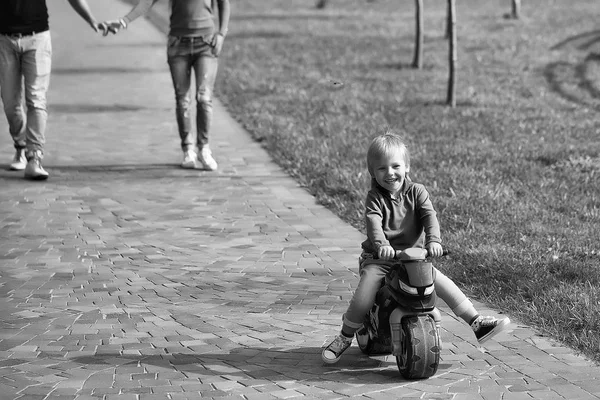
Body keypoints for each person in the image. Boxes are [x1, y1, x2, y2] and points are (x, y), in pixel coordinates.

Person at [322, 131, 510, 364]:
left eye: (395, 166)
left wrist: (434, 242)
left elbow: (429, 216)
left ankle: (476, 322)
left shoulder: (417, 192)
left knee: (441, 282)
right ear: (372, 172)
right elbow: (373, 223)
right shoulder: (375, 198)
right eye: (381, 168)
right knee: (365, 293)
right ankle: (345, 335)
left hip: (414, 258)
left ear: (407, 167)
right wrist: (382, 246)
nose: (389, 173)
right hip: (381, 259)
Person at [102, 0, 231, 171]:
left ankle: (204, 149)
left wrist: (221, 33)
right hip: (178, 46)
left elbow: (224, 3)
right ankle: (188, 150)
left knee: (204, 98)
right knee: (183, 100)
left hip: (206, 43)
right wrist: (124, 21)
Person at [1, 0, 106, 180]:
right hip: (4, 41)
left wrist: (91, 20)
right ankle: (21, 145)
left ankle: (35, 157)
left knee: (36, 99)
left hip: (37, 39)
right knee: (10, 103)